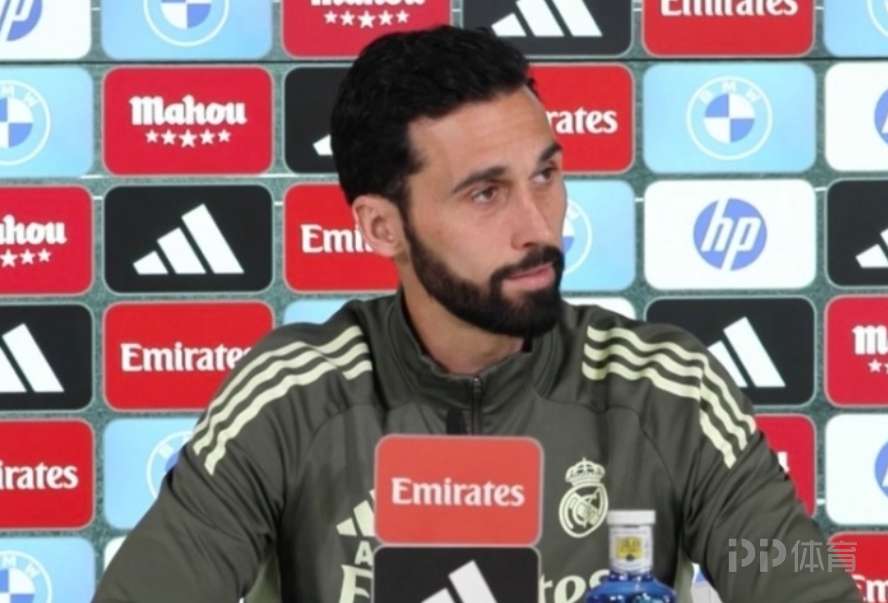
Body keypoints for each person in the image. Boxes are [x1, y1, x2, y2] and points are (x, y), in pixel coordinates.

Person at [94, 25, 861, 603]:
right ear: (382, 226)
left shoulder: (666, 389)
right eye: (486, 193)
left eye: (546, 176)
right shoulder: (292, 396)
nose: (538, 226)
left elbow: (799, 576)